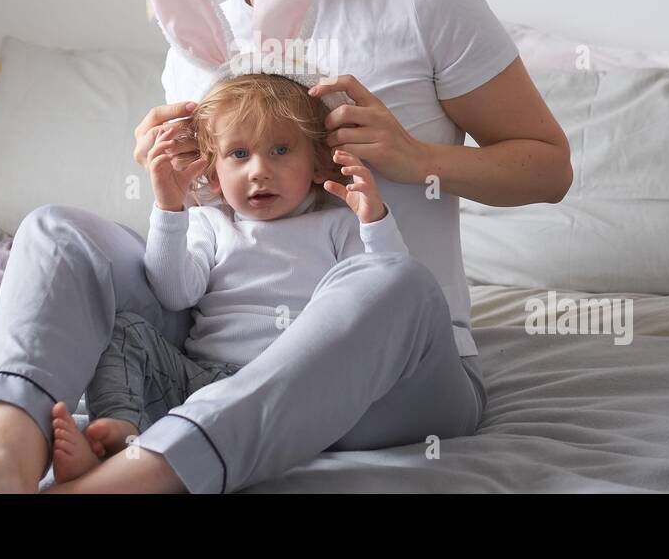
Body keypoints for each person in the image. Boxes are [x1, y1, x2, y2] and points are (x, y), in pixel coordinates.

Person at [0, 0, 572, 494]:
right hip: (210, 364)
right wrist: (173, 190)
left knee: (393, 281)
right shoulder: (198, 43)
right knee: (52, 232)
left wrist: (415, 157)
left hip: (389, 373)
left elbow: (548, 167)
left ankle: (136, 481)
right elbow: (195, 264)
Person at [50, 72, 408, 484]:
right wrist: (170, 208)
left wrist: (374, 221)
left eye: (280, 150)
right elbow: (173, 292)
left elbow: (387, 297)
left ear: (315, 162)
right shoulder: (211, 223)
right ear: (214, 174)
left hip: (288, 388)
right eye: (239, 154)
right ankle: (118, 432)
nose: (259, 171)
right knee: (124, 330)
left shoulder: (336, 226)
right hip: (199, 382)